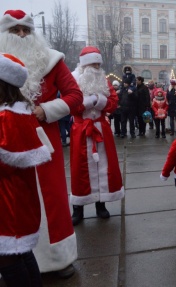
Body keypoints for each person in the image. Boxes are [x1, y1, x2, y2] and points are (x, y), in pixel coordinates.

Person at [0, 9, 82, 278]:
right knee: (8, 199)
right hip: (4, 140)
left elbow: (74, 96)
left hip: (43, 142)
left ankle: (55, 260)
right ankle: (9, 258)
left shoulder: (51, 60)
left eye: (26, 29)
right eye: (15, 30)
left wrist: (45, 110)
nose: (22, 35)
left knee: (51, 198)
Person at [0, 53, 52, 287]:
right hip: (20, 198)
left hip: (7, 201)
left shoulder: (5, 117)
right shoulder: (19, 112)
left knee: (9, 259)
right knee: (21, 251)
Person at [70, 46, 124, 225]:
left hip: (101, 128)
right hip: (81, 130)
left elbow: (113, 103)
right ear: (85, 64)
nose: (96, 67)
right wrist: (88, 102)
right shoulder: (73, 80)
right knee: (80, 169)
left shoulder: (104, 80)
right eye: (93, 63)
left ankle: (101, 204)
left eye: (98, 64)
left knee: (103, 166)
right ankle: (78, 208)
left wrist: (99, 101)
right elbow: (69, 104)